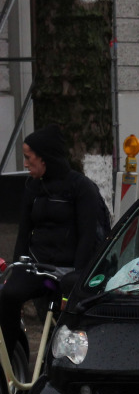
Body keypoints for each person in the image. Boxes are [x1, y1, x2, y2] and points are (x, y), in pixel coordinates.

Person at [1, 125, 106, 366]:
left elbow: (87, 236)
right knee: (7, 294)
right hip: (39, 265)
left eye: (28, 158)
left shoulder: (81, 187)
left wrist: (78, 274)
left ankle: (67, 363)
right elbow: (24, 233)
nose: (25, 164)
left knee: (69, 314)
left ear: (45, 158)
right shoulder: (32, 187)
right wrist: (17, 268)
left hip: (69, 269)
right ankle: (7, 361)